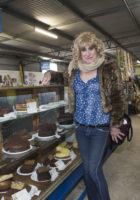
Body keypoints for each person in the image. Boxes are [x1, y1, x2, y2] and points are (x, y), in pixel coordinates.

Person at [42, 32, 125, 200]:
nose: (87, 53)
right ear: (78, 52)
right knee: (87, 169)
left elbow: (118, 97)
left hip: (100, 129)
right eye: (83, 49)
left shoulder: (109, 67)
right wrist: (50, 73)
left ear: (97, 49)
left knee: (94, 170)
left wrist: (115, 125)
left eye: (91, 48)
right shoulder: (74, 69)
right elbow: (63, 77)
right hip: (80, 127)